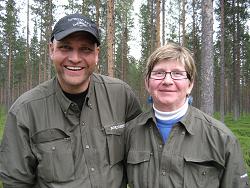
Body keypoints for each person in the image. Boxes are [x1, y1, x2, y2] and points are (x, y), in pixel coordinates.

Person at [0, 13, 142, 188]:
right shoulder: (25, 111)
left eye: (86, 49)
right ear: (51, 50)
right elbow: (16, 183)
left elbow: (142, 158)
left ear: (97, 54)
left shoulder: (121, 95)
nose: (75, 58)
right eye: (66, 47)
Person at [124, 42, 249, 188]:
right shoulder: (129, 133)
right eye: (159, 73)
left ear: (190, 84)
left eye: (177, 73)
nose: (167, 81)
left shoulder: (221, 138)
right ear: (147, 83)